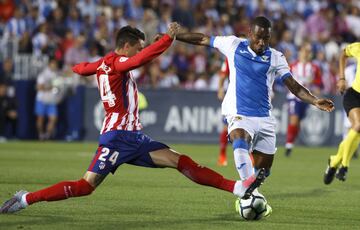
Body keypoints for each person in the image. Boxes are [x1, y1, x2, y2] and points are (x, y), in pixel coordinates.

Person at [0, 23, 265, 214]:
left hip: (134, 137)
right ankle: (25, 199)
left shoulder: (103, 63)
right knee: (85, 186)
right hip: (117, 138)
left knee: (178, 160)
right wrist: (167, 41)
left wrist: (79, 68)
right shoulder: (116, 63)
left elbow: (81, 68)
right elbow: (137, 61)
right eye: (137, 47)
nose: (140, 51)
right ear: (125, 47)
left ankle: (237, 188)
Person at [176, 16, 334, 204]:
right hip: (239, 113)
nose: (262, 42)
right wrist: (174, 37)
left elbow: (294, 86)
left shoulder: (276, 57)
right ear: (250, 33)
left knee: (263, 171)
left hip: (265, 119)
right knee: (239, 137)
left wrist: (315, 101)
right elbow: (202, 39)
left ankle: (251, 192)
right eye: (258, 37)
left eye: (266, 38)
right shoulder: (233, 44)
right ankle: (248, 193)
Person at [324, 42, 360, 184]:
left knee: (357, 132)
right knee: (358, 126)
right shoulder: (358, 47)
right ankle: (344, 166)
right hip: (354, 96)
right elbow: (343, 55)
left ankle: (334, 161)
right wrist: (342, 78)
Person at [284, 41, 323, 156]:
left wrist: (316, 88)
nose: (306, 53)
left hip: (306, 98)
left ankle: (291, 143)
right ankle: (288, 145)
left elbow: (319, 83)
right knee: (294, 120)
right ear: (300, 52)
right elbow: (284, 79)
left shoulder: (314, 68)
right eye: (304, 51)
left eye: (308, 51)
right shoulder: (293, 66)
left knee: (298, 123)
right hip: (293, 97)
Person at [34, 58, 62, 140]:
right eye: (53, 64)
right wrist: (50, 87)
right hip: (41, 99)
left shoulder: (57, 74)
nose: (54, 66)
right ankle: (40, 134)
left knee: (53, 118)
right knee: (40, 119)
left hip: (52, 99)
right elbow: (39, 87)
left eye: (55, 64)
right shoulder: (43, 74)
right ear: (49, 64)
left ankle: (47, 135)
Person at [217, 58, 229, 166]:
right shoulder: (231, 55)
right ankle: (222, 154)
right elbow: (223, 75)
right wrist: (220, 89)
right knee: (226, 126)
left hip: (249, 97)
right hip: (233, 97)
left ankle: (250, 155)